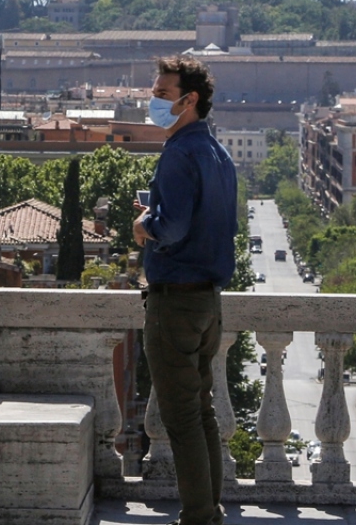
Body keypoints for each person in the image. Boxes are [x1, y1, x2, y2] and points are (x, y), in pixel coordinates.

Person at [133, 56, 237, 525]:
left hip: (174, 301)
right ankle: (210, 511)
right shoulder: (219, 153)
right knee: (203, 413)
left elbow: (171, 228)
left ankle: (198, 516)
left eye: (161, 94)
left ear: (189, 99)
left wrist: (144, 223)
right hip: (208, 302)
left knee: (182, 420)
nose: (153, 101)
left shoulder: (177, 153)